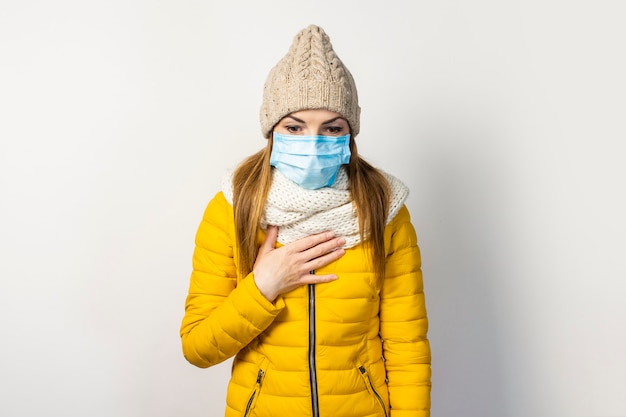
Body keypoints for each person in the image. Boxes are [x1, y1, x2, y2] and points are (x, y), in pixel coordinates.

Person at [180, 24, 431, 417]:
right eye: (294, 127)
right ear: (272, 132)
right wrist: (262, 287)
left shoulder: (384, 209)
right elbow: (198, 348)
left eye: (332, 128)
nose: (313, 143)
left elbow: (407, 346)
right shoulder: (233, 207)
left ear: (350, 135)